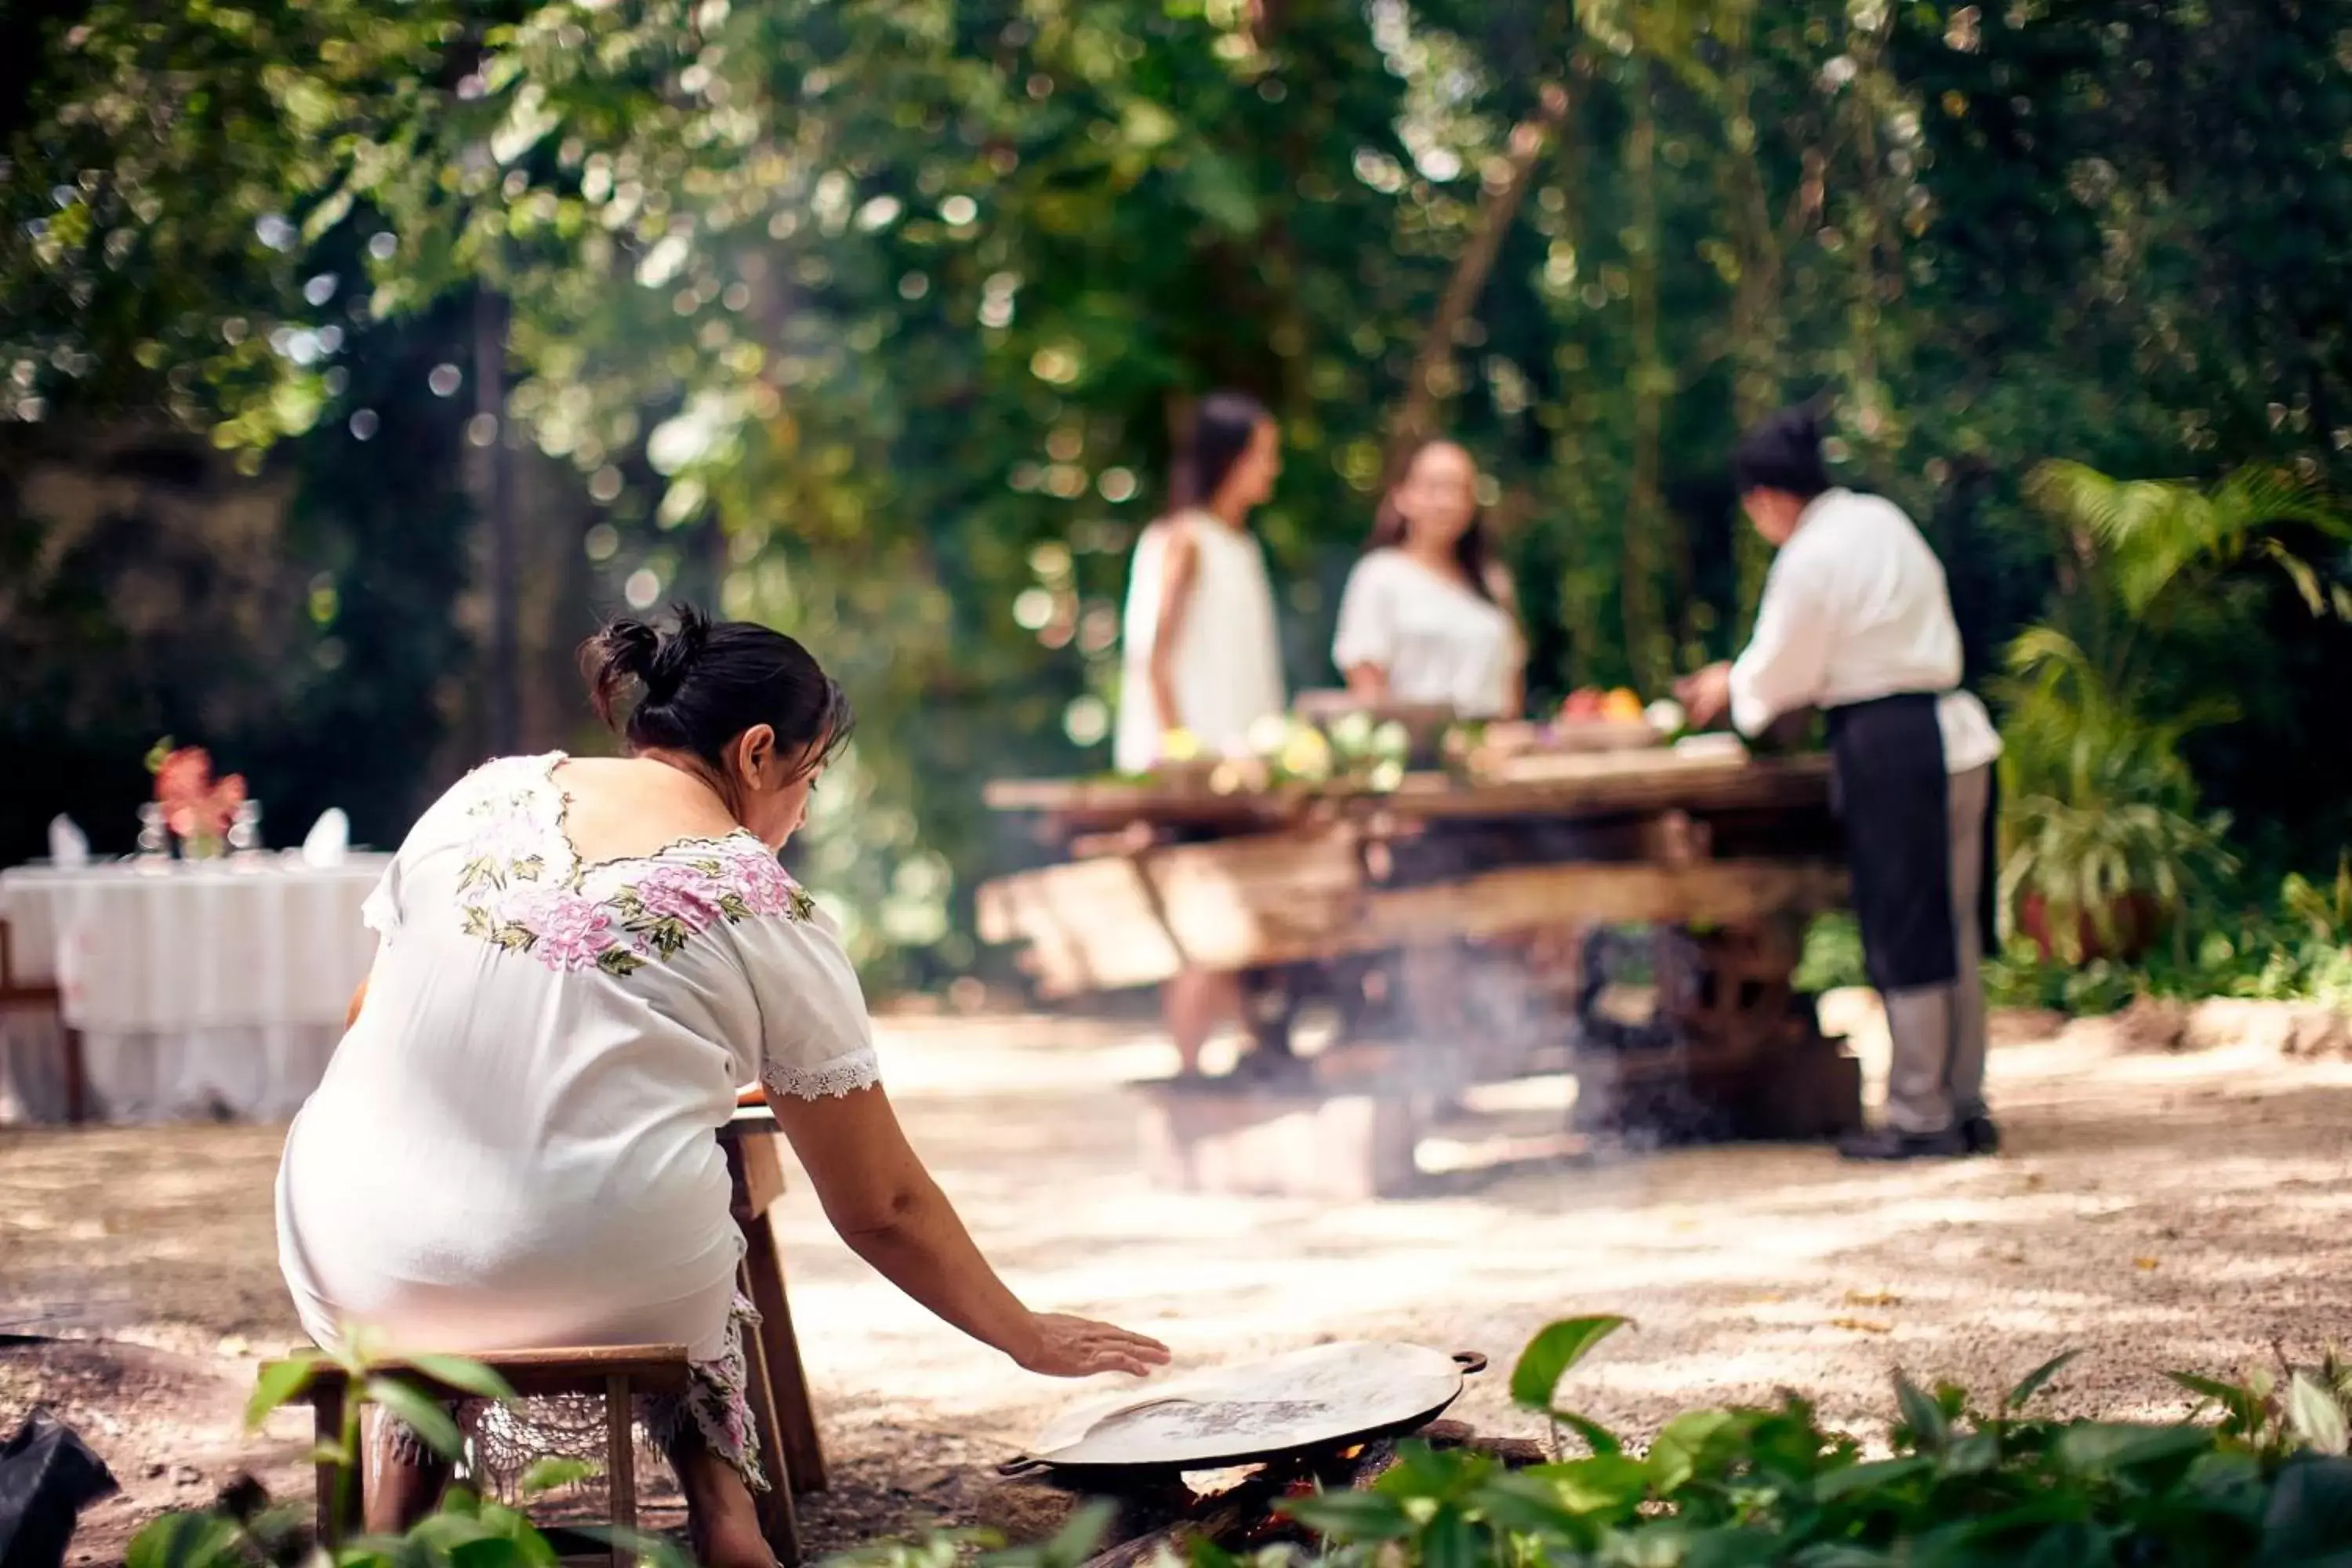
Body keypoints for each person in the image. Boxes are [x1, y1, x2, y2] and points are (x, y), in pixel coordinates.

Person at [277, 608, 1169, 1567]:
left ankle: (390, 1520)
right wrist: (1019, 1331)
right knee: (688, 1207)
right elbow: (881, 1204)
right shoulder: (759, 899)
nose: (805, 811)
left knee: (464, 1218)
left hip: (346, 1245)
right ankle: (727, 1525)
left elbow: (371, 1009)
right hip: (599, 1269)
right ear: (754, 752)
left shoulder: (482, 798)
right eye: (810, 777)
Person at [1678, 404, 2003, 1163]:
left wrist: (1733, 688)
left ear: (1766, 498)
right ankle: (1965, 1103)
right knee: (1954, 928)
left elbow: (1783, 668)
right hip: (1959, 734)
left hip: (1890, 742)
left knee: (1904, 926)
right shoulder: (1881, 518)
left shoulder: (1810, 555)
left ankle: (1920, 1116)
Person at [1112, 391, 1287, 1078]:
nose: (1271, 471)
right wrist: (1181, 752)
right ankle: (1187, 1073)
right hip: (1194, 773)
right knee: (1205, 924)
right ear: (1232, 459)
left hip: (1241, 767)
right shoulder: (1182, 539)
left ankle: (1242, 1063)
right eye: (1264, 456)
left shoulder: (1238, 545)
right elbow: (1155, 657)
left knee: (1241, 921)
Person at [1332, 440, 1523, 720]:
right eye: (1434, 487)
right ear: (1403, 495)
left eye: (1460, 489)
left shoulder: (1493, 583)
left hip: (1491, 750)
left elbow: (1511, 690)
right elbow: (1367, 689)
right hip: (1417, 753)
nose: (1447, 502)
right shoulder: (1380, 574)